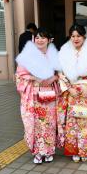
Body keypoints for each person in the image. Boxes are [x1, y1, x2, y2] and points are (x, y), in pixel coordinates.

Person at [15, 27, 61, 164]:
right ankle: (37, 152)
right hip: (33, 94)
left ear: (48, 40)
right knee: (34, 123)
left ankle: (48, 151)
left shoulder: (55, 55)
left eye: (43, 37)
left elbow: (62, 73)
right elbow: (19, 75)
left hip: (48, 92)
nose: (40, 40)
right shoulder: (27, 56)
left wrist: (54, 78)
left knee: (49, 123)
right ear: (33, 40)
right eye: (37, 38)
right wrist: (34, 77)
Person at [58, 24, 87, 162]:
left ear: (84, 37)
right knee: (72, 122)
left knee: (86, 122)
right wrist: (69, 88)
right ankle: (74, 150)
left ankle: (86, 150)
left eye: (78, 36)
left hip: (86, 93)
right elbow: (60, 73)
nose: (75, 39)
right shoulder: (64, 53)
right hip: (72, 93)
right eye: (73, 36)